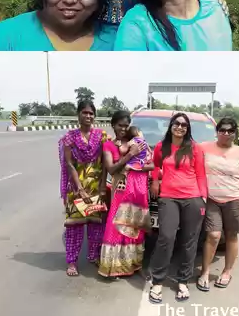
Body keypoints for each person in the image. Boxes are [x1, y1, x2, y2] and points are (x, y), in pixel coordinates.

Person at [148, 112, 208, 304]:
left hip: (192, 198)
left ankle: (183, 280)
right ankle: (157, 281)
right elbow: (155, 165)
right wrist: (155, 181)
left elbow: (200, 174)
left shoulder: (195, 148)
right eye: (177, 123)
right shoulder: (161, 146)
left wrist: (203, 198)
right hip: (168, 198)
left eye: (184, 125)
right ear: (171, 125)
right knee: (166, 237)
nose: (180, 127)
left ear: (187, 129)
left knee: (190, 240)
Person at [197, 116, 239, 292]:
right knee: (213, 235)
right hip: (211, 199)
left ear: (235, 134)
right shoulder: (204, 147)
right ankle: (205, 272)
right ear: (217, 131)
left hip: (234, 200)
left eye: (230, 131)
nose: (226, 133)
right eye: (222, 130)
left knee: (231, 236)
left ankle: (227, 272)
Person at [98, 111, 152, 278]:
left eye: (126, 125)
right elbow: (112, 169)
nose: (123, 128)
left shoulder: (136, 142)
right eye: (120, 125)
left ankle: (133, 265)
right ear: (113, 125)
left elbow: (151, 165)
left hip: (138, 191)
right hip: (120, 192)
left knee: (135, 227)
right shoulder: (109, 145)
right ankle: (114, 267)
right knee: (117, 227)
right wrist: (131, 154)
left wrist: (133, 166)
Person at [60, 99, 109, 277]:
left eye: (91, 113)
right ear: (78, 115)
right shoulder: (69, 138)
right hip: (76, 188)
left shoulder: (102, 136)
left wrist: (103, 185)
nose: (88, 116)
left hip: (96, 187)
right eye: (85, 112)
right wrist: (79, 188)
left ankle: (93, 255)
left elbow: (105, 162)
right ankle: (72, 261)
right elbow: (69, 164)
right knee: (74, 226)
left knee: (96, 225)